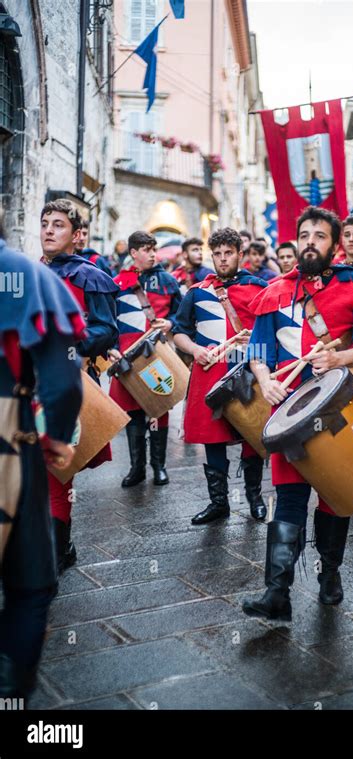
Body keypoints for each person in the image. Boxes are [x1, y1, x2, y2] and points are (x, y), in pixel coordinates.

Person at [241, 206, 353, 621]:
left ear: (333, 245)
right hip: (289, 412)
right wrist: (264, 380)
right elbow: (258, 350)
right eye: (305, 234)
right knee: (289, 498)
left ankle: (329, 574)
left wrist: (340, 358)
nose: (310, 241)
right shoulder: (275, 291)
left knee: (335, 495)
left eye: (320, 235)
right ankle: (277, 592)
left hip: (339, 408)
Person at [0, 224, 83, 701]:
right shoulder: (26, 276)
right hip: (10, 436)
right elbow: (63, 382)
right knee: (31, 583)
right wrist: (55, 436)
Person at [40, 199, 119, 572]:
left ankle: (57, 552)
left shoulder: (90, 276)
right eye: (45, 223)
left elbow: (107, 330)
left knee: (56, 470)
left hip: (68, 382)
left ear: (75, 235)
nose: (49, 230)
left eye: (58, 224)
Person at [172, 227, 268, 524]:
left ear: (240, 254)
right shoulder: (197, 292)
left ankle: (255, 496)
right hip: (209, 372)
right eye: (217, 254)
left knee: (252, 432)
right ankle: (219, 502)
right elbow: (179, 332)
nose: (223, 259)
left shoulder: (259, 288)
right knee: (212, 437)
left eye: (229, 253)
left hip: (248, 371)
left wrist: (255, 341)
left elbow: (271, 331)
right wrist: (195, 350)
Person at [109, 231, 182, 487]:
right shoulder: (116, 283)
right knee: (132, 412)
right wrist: (111, 348)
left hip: (156, 357)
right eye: (146, 249)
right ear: (133, 253)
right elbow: (109, 322)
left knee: (159, 408)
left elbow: (181, 317)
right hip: (127, 359)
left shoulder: (168, 282)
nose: (153, 253)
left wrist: (170, 323)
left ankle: (159, 467)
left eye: (154, 248)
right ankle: (136, 468)